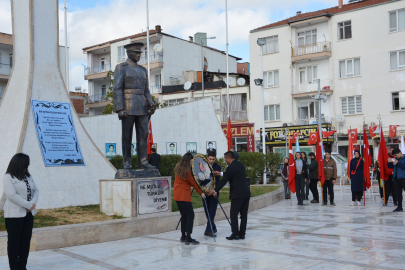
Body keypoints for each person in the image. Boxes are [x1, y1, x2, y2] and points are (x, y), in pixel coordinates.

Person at [3, 153, 39, 270]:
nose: (28, 164)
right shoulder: (8, 177)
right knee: (14, 243)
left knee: (25, 242)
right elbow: (12, 195)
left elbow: (36, 190)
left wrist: (33, 203)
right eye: (26, 162)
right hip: (14, 216)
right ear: (19, 163)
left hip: (28, 215)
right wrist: (29, 205)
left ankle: (22, 267)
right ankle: (14, 267)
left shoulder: (28, 176)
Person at [211, 151, 250, 240]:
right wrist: (220, 173)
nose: (225, 161)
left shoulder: (231, 167)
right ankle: (242, 234)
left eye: (225, 159)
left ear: (228, 158)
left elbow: (224, 180)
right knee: (244, 215)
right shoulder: (240, 165)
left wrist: (215, 190)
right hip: (246, 193)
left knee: (233, 214)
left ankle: (235, 233)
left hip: (237, 194)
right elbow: (232, 174)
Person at [173, 153, 205, 245]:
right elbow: (193, 183)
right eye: (191, 161)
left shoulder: (177, 167)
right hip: (184, 196)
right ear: (187, 161)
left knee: (184, 216)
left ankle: (183, 236)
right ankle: (188, 237)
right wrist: (201, 192)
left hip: (177, 195)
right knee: (190, 215)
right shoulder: (186, 171)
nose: (191, 163)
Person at [202, 151, 221, 237]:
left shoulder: (218, 167)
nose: (211, 161)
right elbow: (200, 179)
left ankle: (208, 230)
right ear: (207, 158)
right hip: (205, 192)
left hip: (214, 193)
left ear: (215, 158)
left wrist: (214, 190)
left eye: (213, 159)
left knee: (212, 211)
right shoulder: (202, 166)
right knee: (207, 211)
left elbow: (217, 180)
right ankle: (213, 227)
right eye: (210, 159)